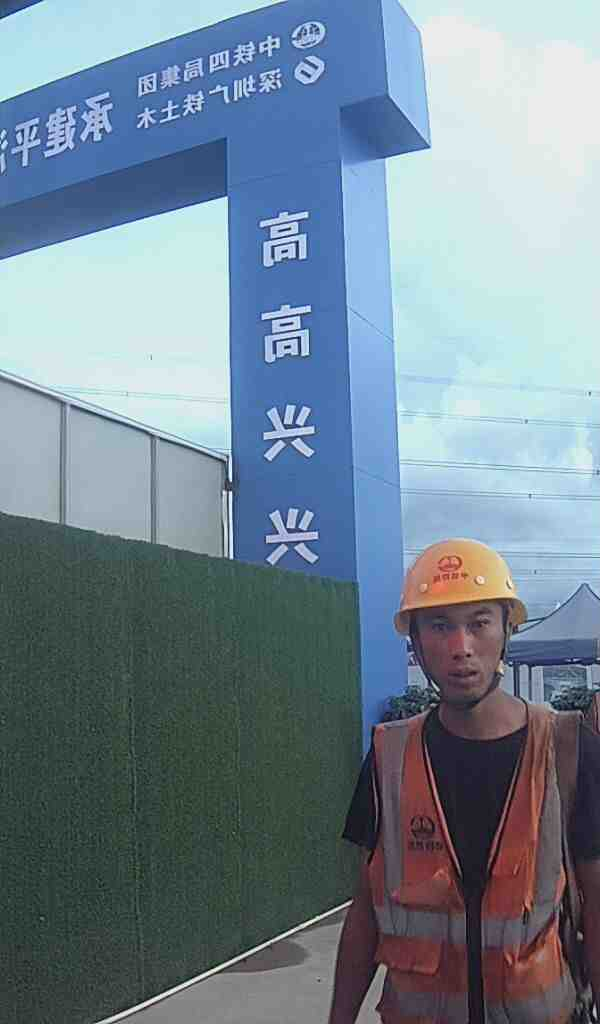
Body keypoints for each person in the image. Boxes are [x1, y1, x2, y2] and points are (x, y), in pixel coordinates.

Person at [328, 539, 600, 1024]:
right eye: (439, 626)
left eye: (479, 623)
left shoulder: (566, 749)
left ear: (506, 630)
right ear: (415, 644)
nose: (461, 648)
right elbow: (365, 912)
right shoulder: (390, 758)